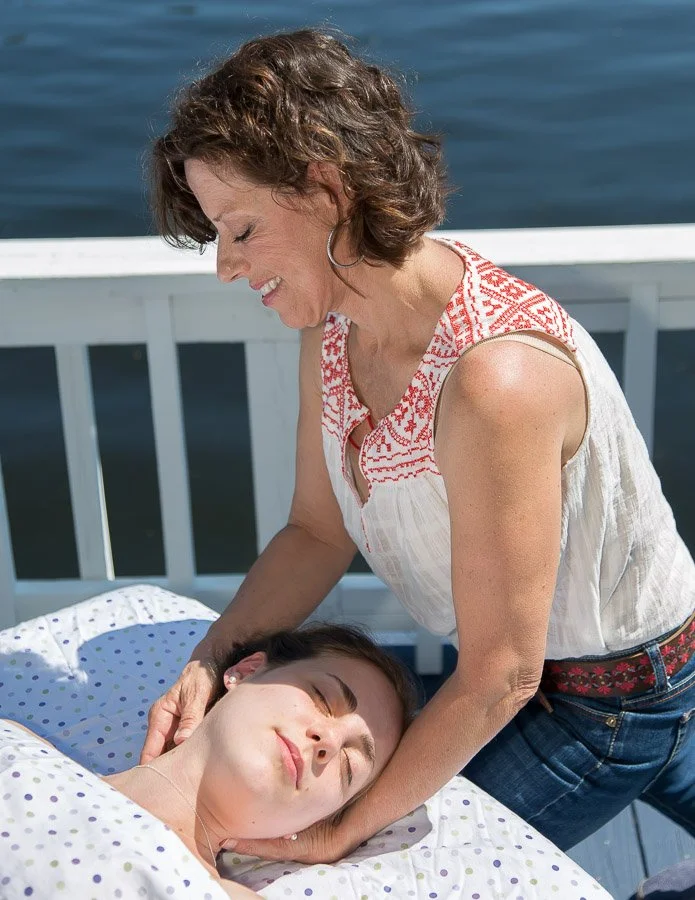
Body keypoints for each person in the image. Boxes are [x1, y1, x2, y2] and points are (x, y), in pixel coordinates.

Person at [143, 26, 695, 874]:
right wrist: (207, 663)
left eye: (242, 228)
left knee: (371, 874)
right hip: (521, 670)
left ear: (324, 187)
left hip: (606, 704)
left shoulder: (492, 379)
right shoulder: (337, 323)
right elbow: (315, 535)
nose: (225, 265)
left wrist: (335, 836)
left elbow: (498, 675)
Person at [3, 622, 414, 899]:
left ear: (314, 824)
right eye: (323, 698)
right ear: (245, 672)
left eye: (348, 766)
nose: (327, 740)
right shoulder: (16, 749)